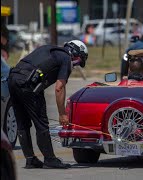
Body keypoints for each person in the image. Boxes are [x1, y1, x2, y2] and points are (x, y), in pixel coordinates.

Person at [8, 40, 88, 169]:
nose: (76, 64)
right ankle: (50, 159)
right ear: (74, 53)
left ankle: (30, 159)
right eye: (78, 61)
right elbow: (59, 88)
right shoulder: (66, 58)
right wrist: (62, 114)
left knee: (22, 123)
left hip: (13, 78)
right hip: (28, 84)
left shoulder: (49, 49)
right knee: (42, 123)